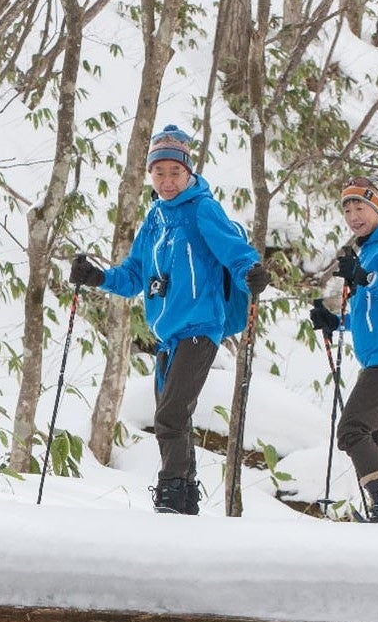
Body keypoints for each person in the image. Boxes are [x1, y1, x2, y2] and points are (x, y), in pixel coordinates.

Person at [69, 124, 271, 515]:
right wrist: (97, 277)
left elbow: (235, 251)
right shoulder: (154, 221)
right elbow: (132, 278)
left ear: (188, 171)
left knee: (172, 414)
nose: (166, 181)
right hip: (168, 335)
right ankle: (182, 496)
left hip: (201, 327)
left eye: (174, 172)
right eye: (158, 173)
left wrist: (252, 272)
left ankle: (174, 495)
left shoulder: (203, 209)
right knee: (173, 416)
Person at [309, 175, 378, 524]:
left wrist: (365, 277)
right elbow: (371, 314)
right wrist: (334, 322)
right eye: (347, 208)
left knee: (352, 431)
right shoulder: (369, 251)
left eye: (361, 207)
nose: (354, 215)